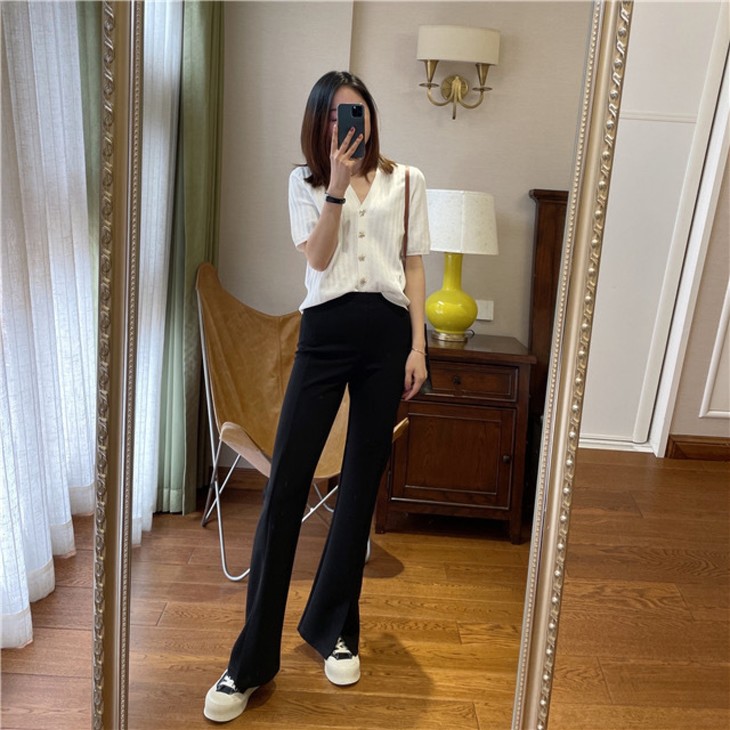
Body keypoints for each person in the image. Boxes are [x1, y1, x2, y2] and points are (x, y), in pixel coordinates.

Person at [203, 70, 431, 723]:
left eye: (356, 112)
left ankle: (337, 628)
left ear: (371, 116)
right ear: (318, 124)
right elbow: (319, 261)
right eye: (334, 116)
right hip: (325, 334)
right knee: (284, 490)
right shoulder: (302, 184)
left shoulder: (407, 181)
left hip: (387, 336)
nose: (346, 125)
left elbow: (415, 265)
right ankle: (249, 661)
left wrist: (418, 347)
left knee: (359, 489)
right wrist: (335, 184)